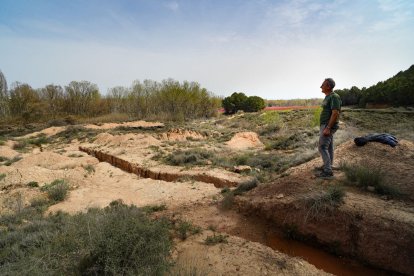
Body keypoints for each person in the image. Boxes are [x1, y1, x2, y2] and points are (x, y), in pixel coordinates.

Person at [316, 78, 341, 178]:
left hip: (328, 125)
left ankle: (328, 172)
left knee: (322, 147)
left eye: (322, 85)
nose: (321, 86)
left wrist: (328, 127)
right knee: (329, 146)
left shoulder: (334, 97)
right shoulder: (327, 97)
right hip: (325, 125)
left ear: (328, 86)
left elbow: (335, 113)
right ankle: (328, 165)